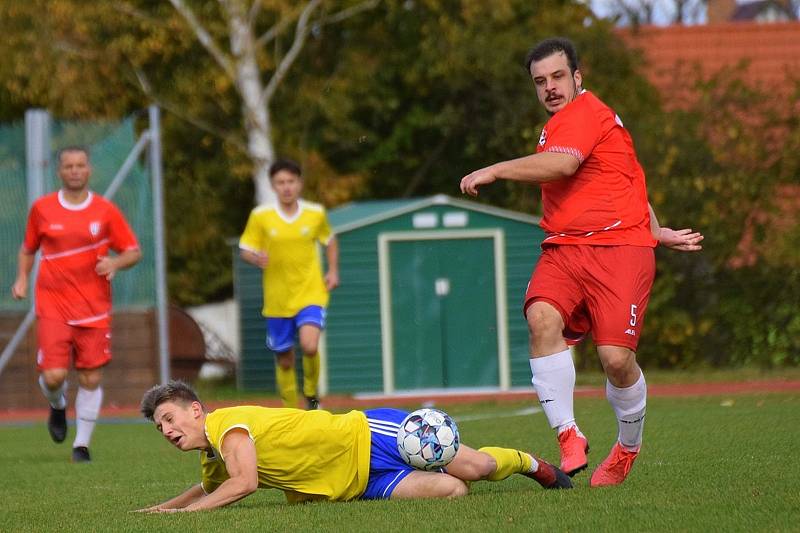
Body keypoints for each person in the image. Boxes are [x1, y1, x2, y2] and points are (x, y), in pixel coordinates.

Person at [459, 37, 703, 487]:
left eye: (557, 77)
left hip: (620, 253)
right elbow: (624, 176)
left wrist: (494, 169)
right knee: (541, 319)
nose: (549, 87)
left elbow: (564, 166)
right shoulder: (565, 124)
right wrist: (657, 226)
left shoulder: (584, 114)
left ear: (577, 77)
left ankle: (628, 446)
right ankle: (569, 434)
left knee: (615, 359)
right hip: (566, 248)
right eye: (539, 81)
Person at [136, 380, 571, 512]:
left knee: (473, 469)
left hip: (365, 434)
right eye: (160, 429)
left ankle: (530, 463)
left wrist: (186, 517)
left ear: (196, 410)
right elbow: (212, 488)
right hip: (358, 483)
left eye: (169, 419)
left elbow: (244, 482)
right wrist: (164, 508)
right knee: (453, 490)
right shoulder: (214, 457)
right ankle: (445, 466)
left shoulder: (228, 426)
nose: (168, 431)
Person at [11, 146, 142, 463]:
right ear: (59, 171)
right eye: (68, 165)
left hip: (94, 308)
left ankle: (81, 445)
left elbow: (133, 251)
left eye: (80, 165)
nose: (74, 170)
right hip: (53, 304)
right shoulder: (42, 209)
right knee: (54, 376)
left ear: (89, 170)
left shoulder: (105, 210)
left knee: (91, 378)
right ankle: (57, 406)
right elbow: (28, 248)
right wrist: (21, 279)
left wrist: (115, 263)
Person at [239, 159, 339, 410]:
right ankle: (290, 410)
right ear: (273, 186)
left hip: (310, 293)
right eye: (280, 182)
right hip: (277, 300)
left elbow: (330, 239)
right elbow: (245, 249)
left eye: (291, 182)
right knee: (284, 360)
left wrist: (333, 271)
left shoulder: (314, 213)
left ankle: (312, 394)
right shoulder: (261, 216)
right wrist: (255, 257)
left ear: (300, 184)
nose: (286, 187)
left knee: (309, 344)